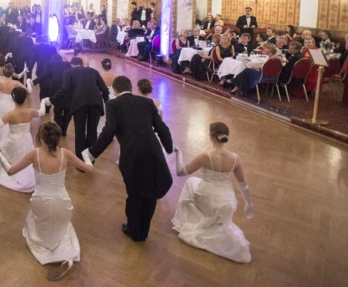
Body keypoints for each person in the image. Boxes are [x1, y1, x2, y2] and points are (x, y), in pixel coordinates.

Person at [0, 122, 94, 281]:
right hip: (62, 202)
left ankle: (50, 252)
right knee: (62, 228)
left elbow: (10, 171)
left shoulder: (34, 154)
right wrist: (87, 155)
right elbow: (89, 169)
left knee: (39, 228)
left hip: (41, 201)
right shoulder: (66, 154)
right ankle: (65, 255)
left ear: (40, 137)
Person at [86, 76, 173, 242]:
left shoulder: (112, 104)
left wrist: (93, 153)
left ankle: (134, 230)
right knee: (150, 192)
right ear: (131, 88)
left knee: (134, 193)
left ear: (115, 90)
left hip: (132, 154)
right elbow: (162, 128)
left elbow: (109, 130)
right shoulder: (147, 103)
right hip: (153, 151)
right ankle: (143, 231)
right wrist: (168, 147)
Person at [172, 122, 254, 263]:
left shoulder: (205, 156)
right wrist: (249, 203)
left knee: (190, 182)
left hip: (207, 197)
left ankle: (185, 220)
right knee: (194, 183)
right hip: (227, 202)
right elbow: (244, 184)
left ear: (211, 136)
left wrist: (178, 153)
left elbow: (180, 172)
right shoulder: (235, 158)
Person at [0, 87, 45, 193]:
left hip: (13, 141)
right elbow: (42, 112)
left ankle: (14, 173)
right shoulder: (31, 112)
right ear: (25, 98)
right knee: (27, 158)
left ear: (13, 99)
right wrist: (44, 101)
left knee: (11, 158)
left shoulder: (10, 115)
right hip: (27, 139)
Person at [50, 57, 109, 159]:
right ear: (82, 64)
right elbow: (104, 89)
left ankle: (80, 158)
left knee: (79, 131)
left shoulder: (68, 72)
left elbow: (65, 89)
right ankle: (90, 157)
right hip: (96, 102)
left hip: (79, 102)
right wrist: (106, 101)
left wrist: (52, 99)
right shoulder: (93, 71)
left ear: (72, 64)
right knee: (92, 130)